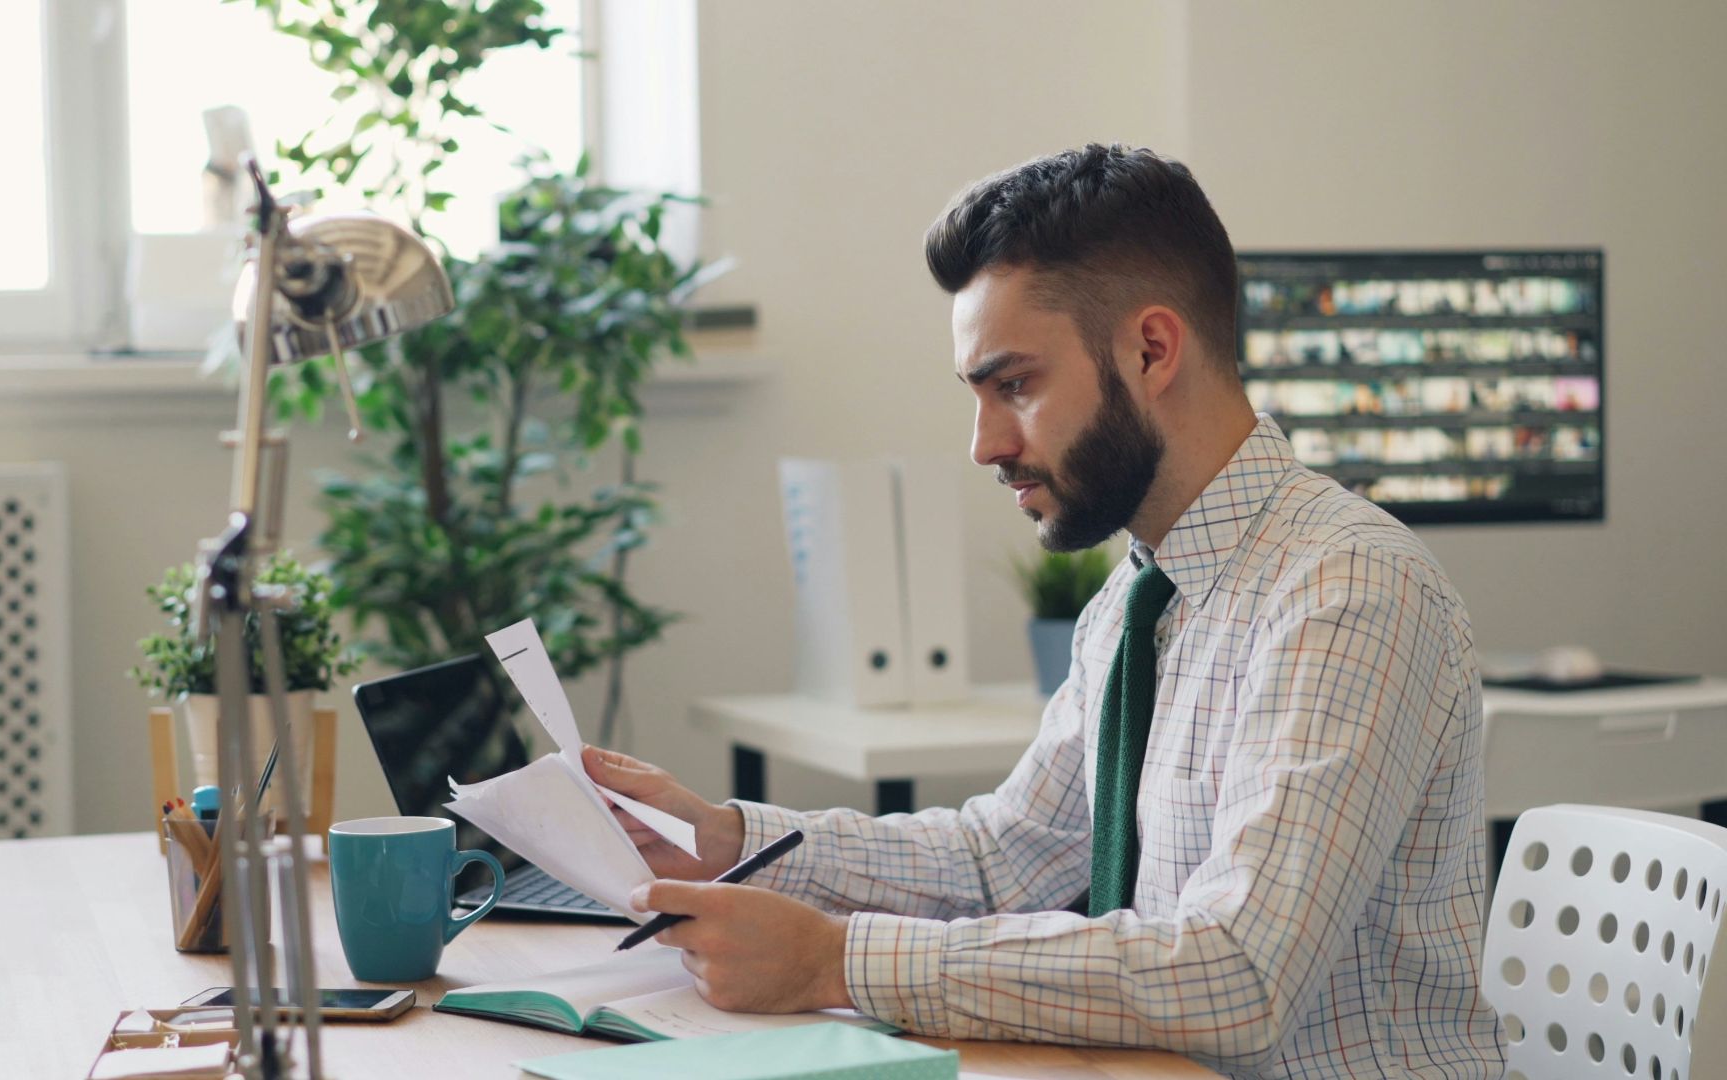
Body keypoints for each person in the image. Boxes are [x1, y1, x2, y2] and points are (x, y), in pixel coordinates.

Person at [583, 144, 1503, 1079]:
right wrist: (727, 840)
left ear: (1151, 350)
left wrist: (833, 959)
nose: (985, 444)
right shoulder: (1139, 600)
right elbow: (1001, 858)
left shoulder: (1346, 590)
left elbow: (1238, 976)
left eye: (1014, 384)